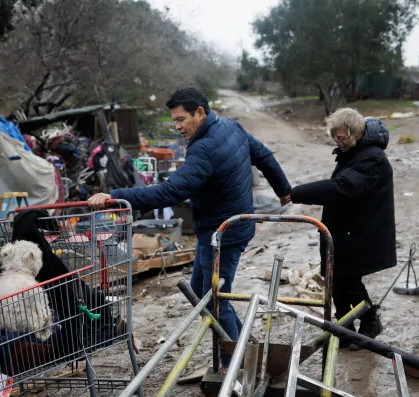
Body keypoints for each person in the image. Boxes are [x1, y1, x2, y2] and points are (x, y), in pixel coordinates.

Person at [89, 86, 291, 370]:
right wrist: (283, 188)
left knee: (215, 300)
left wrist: (116, 197)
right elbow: (264, 156)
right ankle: (244, 344)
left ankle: (236, 364)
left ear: (200, 113)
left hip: (224, 234)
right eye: (174, 120)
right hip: (224, 228)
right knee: (201, 291)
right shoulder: (230, 126)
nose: (177, 126)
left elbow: (170, 192)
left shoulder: (204, 148)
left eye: (181, 119)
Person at [288, 108, 396, 348]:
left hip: (360, 231)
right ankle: (345, 330)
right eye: (335, 137)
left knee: (348, 281)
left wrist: (297, 193)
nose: (338, 142)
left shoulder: (372, 158)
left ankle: (369, 322)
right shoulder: (354, 152)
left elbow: (342, 187)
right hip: (345, 229)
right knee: (334, 278)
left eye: (342, 137)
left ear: (356, 133)